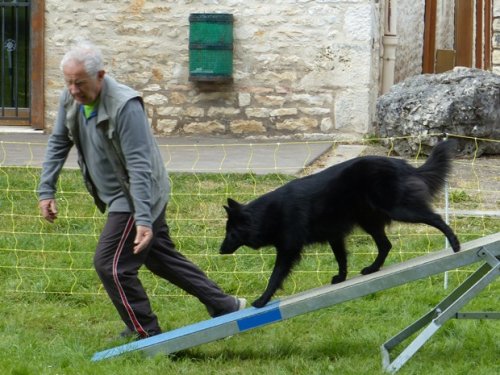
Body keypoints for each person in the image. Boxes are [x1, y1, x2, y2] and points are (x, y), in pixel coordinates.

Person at [37, 40, 245, 339]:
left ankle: (144, 330)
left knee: (111, 264)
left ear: (100, 75)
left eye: (79, 83)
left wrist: (144, 219)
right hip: (121, 195)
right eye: (68, 83)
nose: (73, 90)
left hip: (136, 195)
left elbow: (139, 166)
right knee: (160, 258)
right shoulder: (70, 99)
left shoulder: (125, 106)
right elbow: (59, 141)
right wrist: (46, 190)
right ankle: (225, 305)